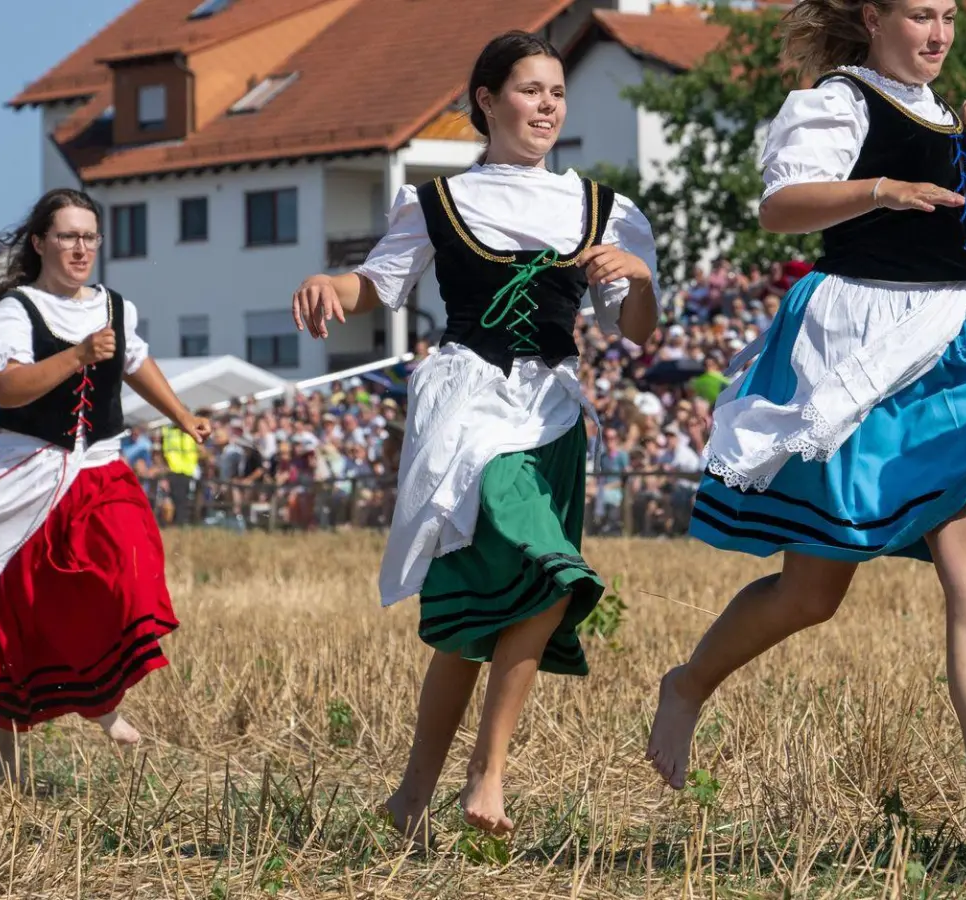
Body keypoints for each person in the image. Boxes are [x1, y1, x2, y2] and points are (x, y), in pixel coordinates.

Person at [645, 0, 966, 850]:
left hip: (961, 349)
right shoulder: (838, 100)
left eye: (950, 16)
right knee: (812, 593)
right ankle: (689, 683)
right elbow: (782, 208)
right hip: (866, 348)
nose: (940, 33)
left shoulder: (947, 114)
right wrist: (881, 188)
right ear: (875, 16)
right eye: (921, 14)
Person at [290, 31, 658, 840]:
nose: (548, 106)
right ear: (487, 101)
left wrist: (636, 280)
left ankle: (413, 794)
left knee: (481, 612)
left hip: (554, 411)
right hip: (467, 406)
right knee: (552, 572)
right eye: (530, 90)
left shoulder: (605, 209)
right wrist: (328, 282)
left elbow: (636, 331)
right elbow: (373, 285)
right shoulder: (436, 202)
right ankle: (484, 779)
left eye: (557, 92)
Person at [0, 189, 209, 779]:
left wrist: (183, 416)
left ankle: (101, 699)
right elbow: (9, 389)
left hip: (98, 467)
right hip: (27, 470)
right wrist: (77, 354)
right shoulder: (12, 314)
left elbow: (136, 365)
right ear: (40, 243)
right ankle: (9, 754)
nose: (81, 248)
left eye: (89, 237)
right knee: (14, 608)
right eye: (68, 236)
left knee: (128, 573)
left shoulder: (115, 307)